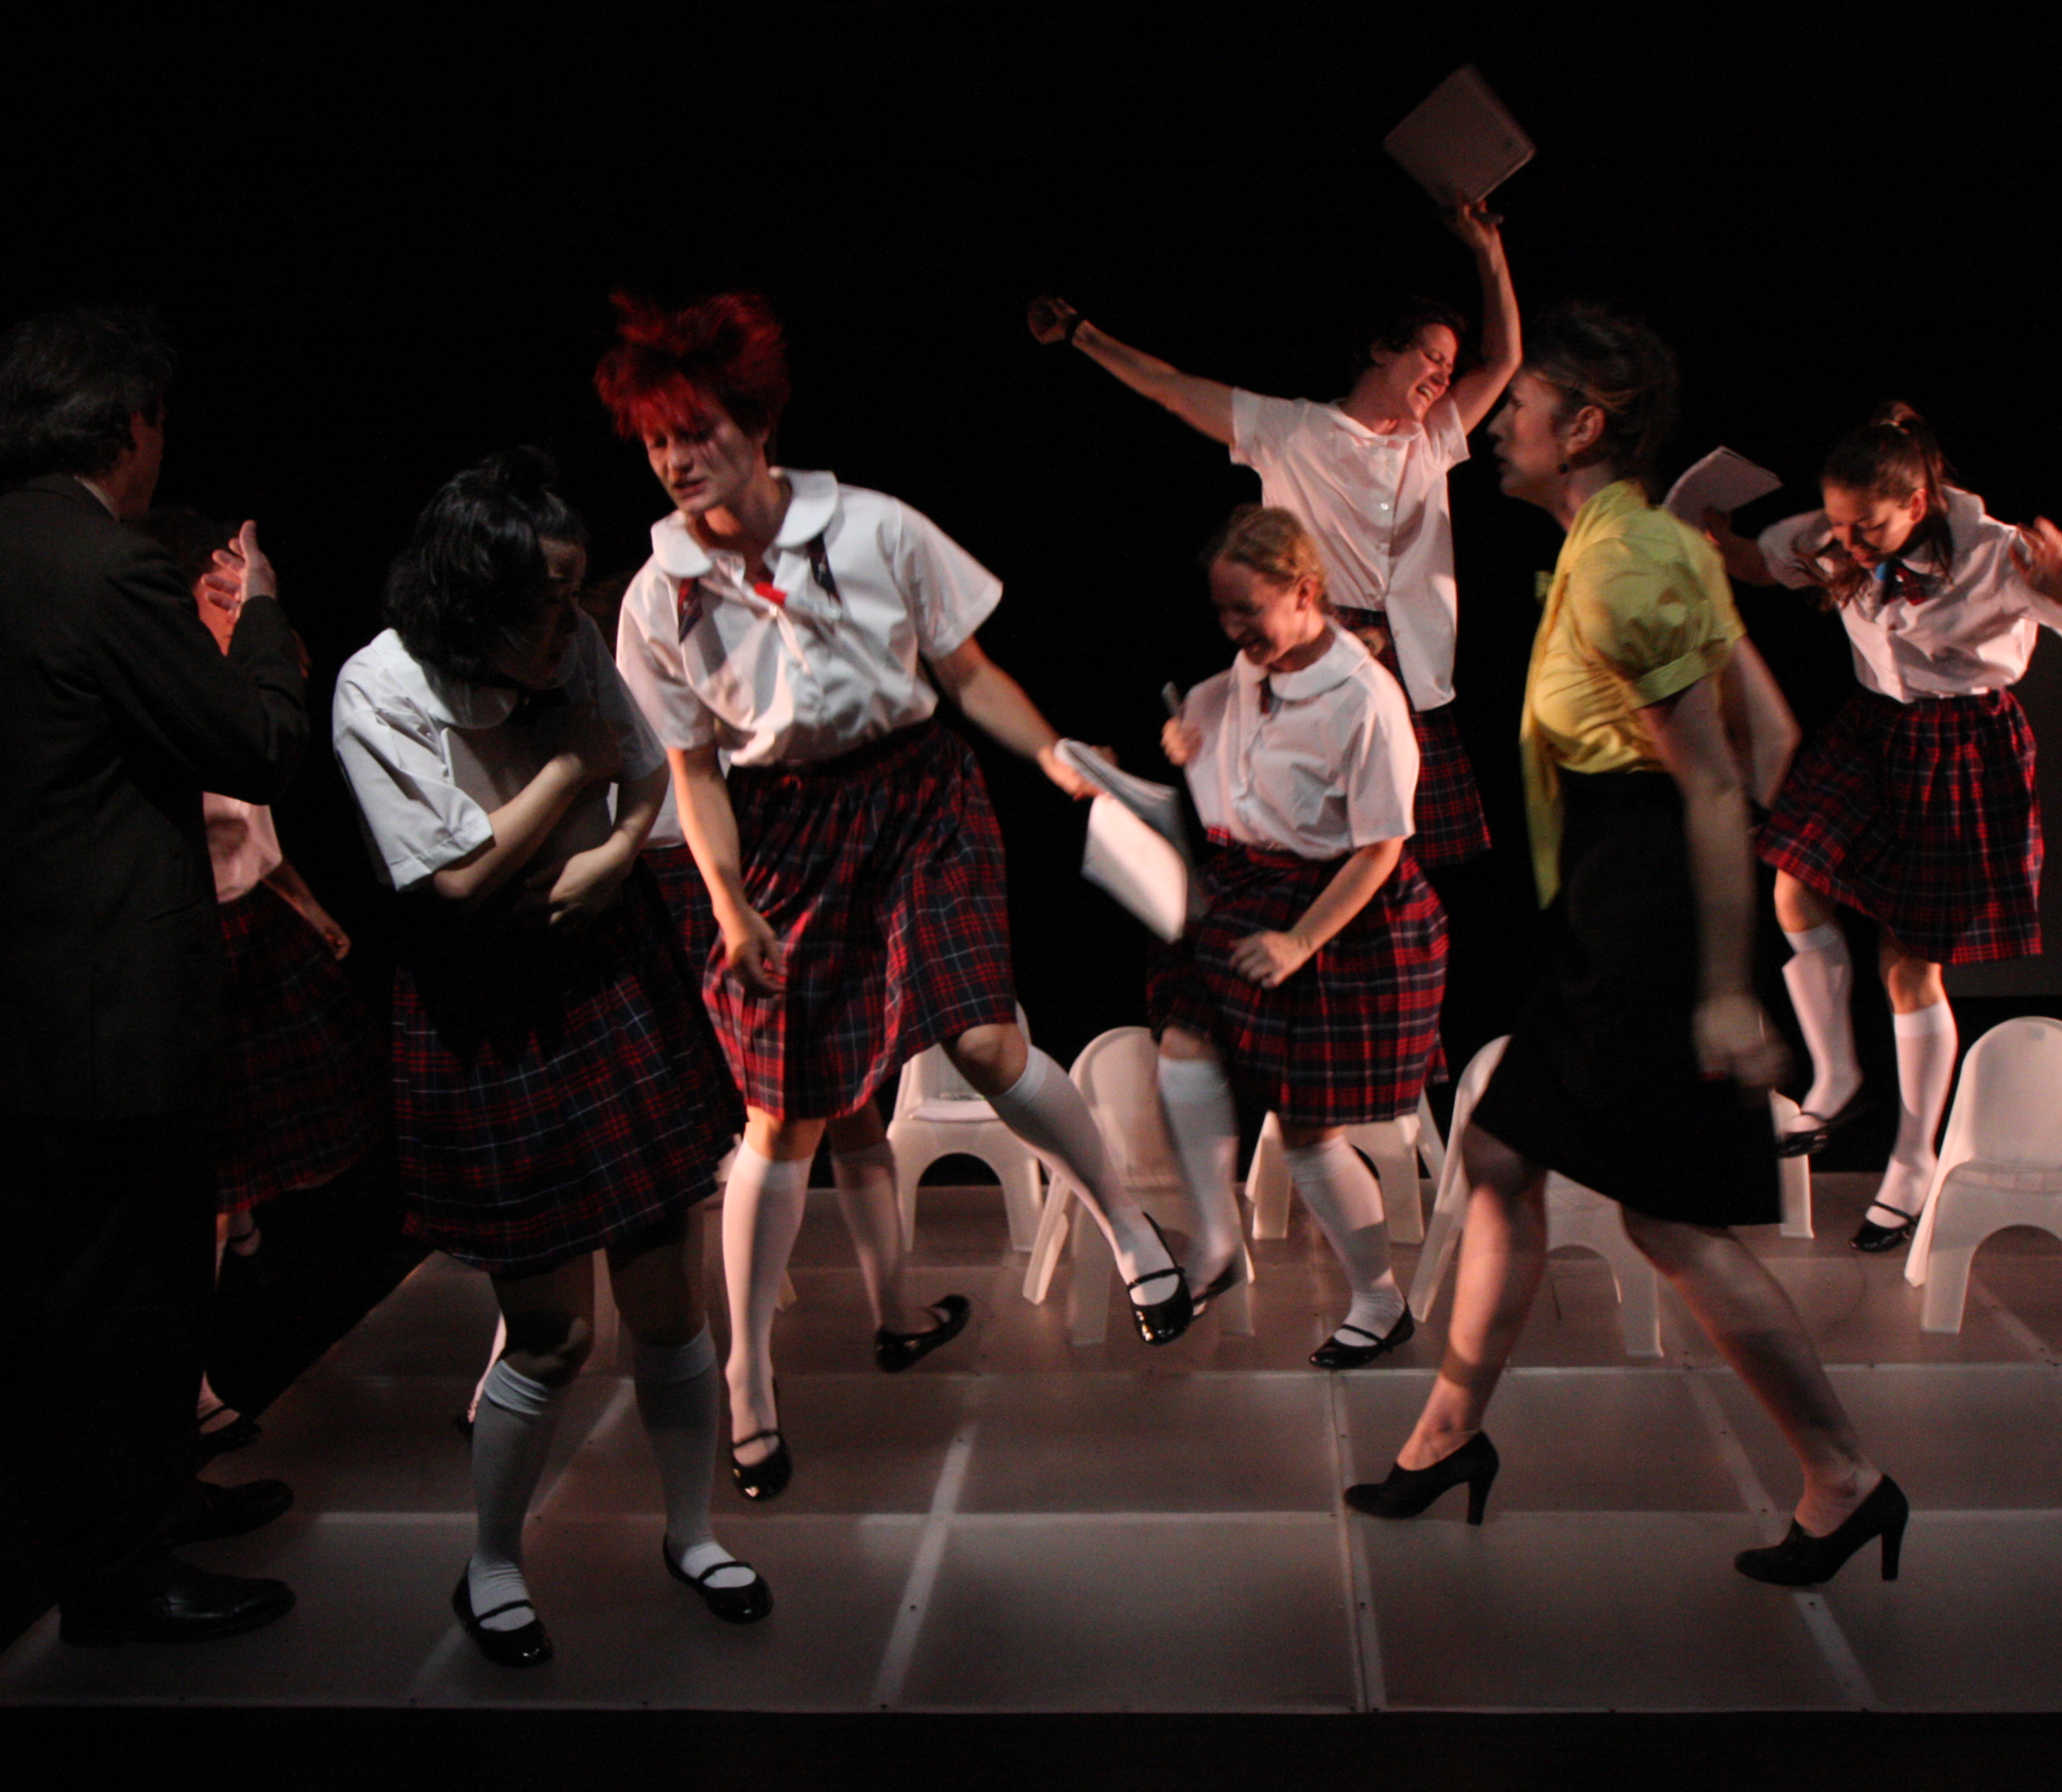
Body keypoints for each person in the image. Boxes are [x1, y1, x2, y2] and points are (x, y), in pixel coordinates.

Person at [601, 292, 1193, 1504]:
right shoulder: (655, 596)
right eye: (658, 441)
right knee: (781, 1118)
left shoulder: (874, 529)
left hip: (919, 795)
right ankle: (748, 1384)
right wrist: (725, 901)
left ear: (755, 425)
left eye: (696, 431)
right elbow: (692, 773)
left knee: (983, 1037)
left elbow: (967, 673)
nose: (675, 460)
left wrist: (1050, 756)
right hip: (779, 829)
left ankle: (1131, 1229)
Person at [1349, 303, 1906, 1589]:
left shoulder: (1621, 564)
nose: (1495, 429)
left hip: (1650, 912)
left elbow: (1717, 786)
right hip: (1614, 901)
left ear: (1582, 428)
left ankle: (1844, 1477)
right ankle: (1445, 1436)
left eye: (1519, 409)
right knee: (1495, 1150)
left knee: (1673, 1224)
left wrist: (1721, 986)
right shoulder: (1643, 541)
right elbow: (1768, 743)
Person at [0, 304, 306, 1643]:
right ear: (129, 425)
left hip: (29, 1002)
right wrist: (267, 614)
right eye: (159, 423)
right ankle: (121, 1565)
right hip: (126, 1004)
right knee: (135, 1286)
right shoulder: (108, 571)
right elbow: (255, 746)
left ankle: (146, 1502)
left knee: (100, 1274)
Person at [331, 449, 767, 1667]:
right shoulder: (380, 690)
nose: (576, 623)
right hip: (487, 1003)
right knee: (550, 1332)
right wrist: (570, 769)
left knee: (669, 1298)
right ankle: (491, 1562)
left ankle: (691, 1532)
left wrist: (614, 854)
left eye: (578, 593)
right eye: (553, 599)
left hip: (608, 967)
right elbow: (458, 881)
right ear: (476, 599)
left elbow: (642, 777)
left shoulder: (566, 648)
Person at [1709, 406, 2062, 1253]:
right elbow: (1765, 566)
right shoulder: (1839, 534)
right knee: (1794, 884)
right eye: (1838, 522)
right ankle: (1837, 1075)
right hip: (1875, 728)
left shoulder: (1999, 552)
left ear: (1917, 503)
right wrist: (1710, 540)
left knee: (1908, 964)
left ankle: (1912, 1163)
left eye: (1866, 525)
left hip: (1965, 745)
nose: (1848, 540)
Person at [1027, 197, 1519, 869]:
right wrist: (1082, 333)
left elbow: (1504, 359)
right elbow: (1171, 387)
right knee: (1307, 844)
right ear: (1381, 349)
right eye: (1431, 358)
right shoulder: (1292, 431)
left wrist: (1487, 249)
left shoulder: (1430, 442)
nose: (1442, 376)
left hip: (1410, 660)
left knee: (1405, 853)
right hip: (1314, 643)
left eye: (1448, 368)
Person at [1151, 507, 1448, 1368]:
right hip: (1248, 887)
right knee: (1181, 1042)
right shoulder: (1246, 671)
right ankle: (1215, 1245)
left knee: (1308, 1130)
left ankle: (1379, 1301)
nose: (1234, 631)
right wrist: (1190, 745)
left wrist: (1298, 943)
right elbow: (1232, 743)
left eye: (1248, 610)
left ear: (1305, 593)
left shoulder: (1366, 700)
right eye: (1223, 614)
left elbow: (1382, 847)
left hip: (1343, 913)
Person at [137, 506, 385, 1456]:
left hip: (252, 927)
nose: (238, 608)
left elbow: (255, 832)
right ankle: (185, 1384)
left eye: (246, 594)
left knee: (258, 1143)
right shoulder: (164, 694)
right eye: (220, 593)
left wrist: (312, 910)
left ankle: (240, 1228)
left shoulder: (236, 694)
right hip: (195, 946)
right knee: (203, 1171)